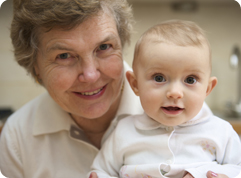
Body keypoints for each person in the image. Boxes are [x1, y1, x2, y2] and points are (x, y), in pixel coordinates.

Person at [0, 0, 229, 177]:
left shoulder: (188, 114)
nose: (90, 75)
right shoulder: (17, 137)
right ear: (35, 66)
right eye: (64, 55)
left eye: (103, 47)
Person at [89, 20, 241, 178]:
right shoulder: (123, 132)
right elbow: (100, 171)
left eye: (190, 80)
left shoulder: (221, 132)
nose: (175, 93)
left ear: (207, 89)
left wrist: (201, 174)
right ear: (135, 84)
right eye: (159, 78)